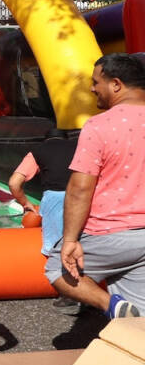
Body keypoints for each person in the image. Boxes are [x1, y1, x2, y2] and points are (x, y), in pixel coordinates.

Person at [45, 53, 145, 319]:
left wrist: (69, 239)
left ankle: (108, 304)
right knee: (138, 320)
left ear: (116, 84)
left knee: (57, 268)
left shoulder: (100, 126)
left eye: (95, 82)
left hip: (109, 232)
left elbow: (80, 188)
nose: (92, 88)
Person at [9, 128, 79, 313]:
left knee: (57, 245)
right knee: (82, 241)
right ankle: (90, 288)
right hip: (81, 195)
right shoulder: (80, 147)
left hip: (55, 198)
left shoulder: (38, 150)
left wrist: (25, 203)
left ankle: (70, 294)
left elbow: (14, 183)